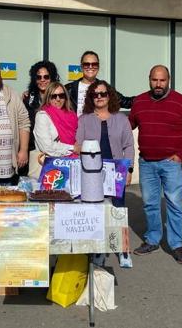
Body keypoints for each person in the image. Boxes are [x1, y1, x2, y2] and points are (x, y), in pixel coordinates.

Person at [128, 65, 182, 264]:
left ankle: (176, 244)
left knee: (175, 204)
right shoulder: (139, 101)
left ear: (169, 80)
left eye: (162, 80)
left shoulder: (180, 101)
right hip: (147, 162)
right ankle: (153, 239)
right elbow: (127, 126)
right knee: (150, 204)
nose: (158, 84)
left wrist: (181, 154)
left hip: (171, 163)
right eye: (154, 80)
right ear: (149, 79)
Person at [75, 80, 135, 268]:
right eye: (95, 94)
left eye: (103, 93)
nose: (99, 97)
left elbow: (129, 145)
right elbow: (78, 145)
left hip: (116, 171)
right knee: (96, 211)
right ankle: (98, 250)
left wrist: (129, 169)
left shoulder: (121, 119)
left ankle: (123, 249)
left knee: (118, 211)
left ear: (109, 96)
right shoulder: (84, 120)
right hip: (91, 174)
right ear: (91, 98)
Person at [65, 51, 133, 116]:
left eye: (94, 64)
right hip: (74, 128)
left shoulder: (106, 88)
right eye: (86, 64)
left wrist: (143, 97)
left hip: (99, 127)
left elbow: (126, 102)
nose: (90, 67)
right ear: (81, 67)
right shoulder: (68, 89)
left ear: (98, 67)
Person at [22, 61, 60, 175]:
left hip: (56, 150)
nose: (42, 80)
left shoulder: (59, 97)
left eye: (46, 76)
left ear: (52, 78)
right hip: (34, 151)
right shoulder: (28, 99)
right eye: (39, 77)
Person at [33, 82, 77, 157]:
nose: (58, 99)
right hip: (50, 164)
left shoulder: (72, 116)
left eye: (61, 95)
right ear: (48, 98)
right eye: (54, 96)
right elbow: (47, 147)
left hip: (71, 162)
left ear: (66, 97)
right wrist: (73, 148)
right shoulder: (42, 116)